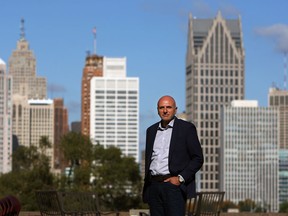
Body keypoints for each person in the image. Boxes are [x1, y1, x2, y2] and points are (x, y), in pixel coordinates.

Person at [142, 95, 204, 216]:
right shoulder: (151, 131)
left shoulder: (186, 128)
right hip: (154, 186)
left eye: (169, 107)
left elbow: (198, 158)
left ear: (175, 109)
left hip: (173, 187)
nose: (165, 110)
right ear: (157, 110)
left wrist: (180, 178)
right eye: (162, 107)